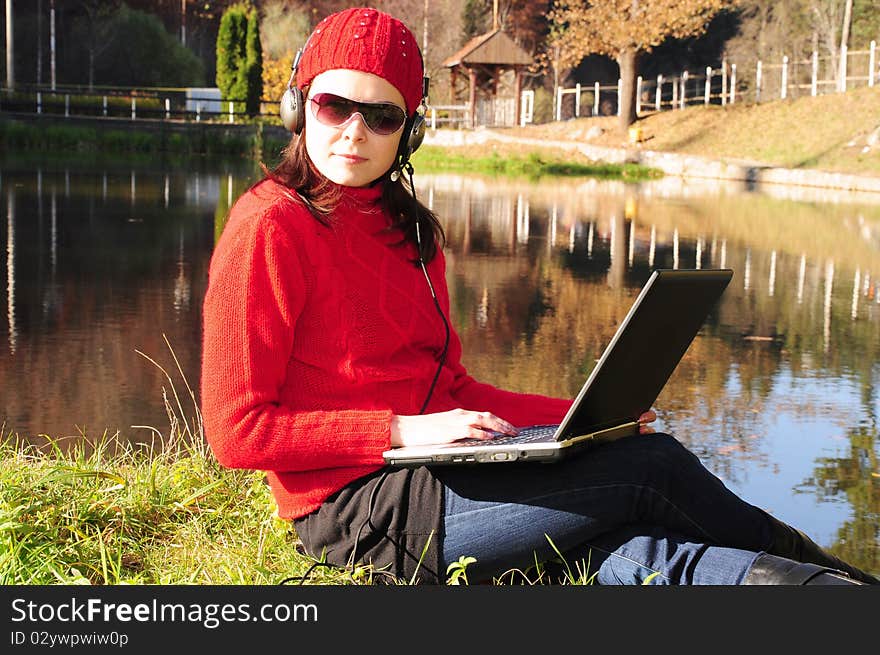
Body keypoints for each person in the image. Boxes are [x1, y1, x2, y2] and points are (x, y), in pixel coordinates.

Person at [200, 7, 878, 586]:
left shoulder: (409, 231)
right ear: (298, 105)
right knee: (652, 470)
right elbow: (236, 431)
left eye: (381, 116)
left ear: (410, 132)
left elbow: (455, 392)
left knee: (628, 546)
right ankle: (842, 570)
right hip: (352, 512)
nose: (354, 131)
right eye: (334, 105)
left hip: (436, 469)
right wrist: (400, 430)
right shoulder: (269, 224)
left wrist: (585, 419)